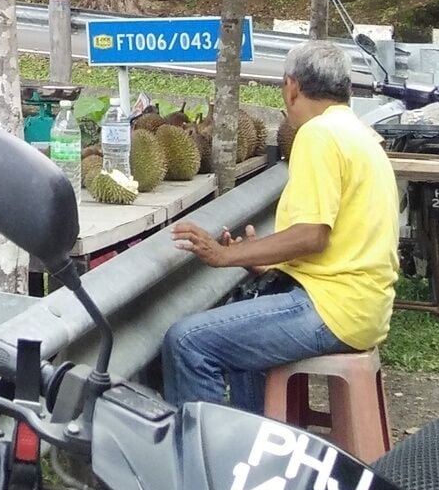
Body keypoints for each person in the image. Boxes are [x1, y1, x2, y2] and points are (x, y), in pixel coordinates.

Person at [158, 39, 398, 412]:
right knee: (239, 337)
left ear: (292, 87)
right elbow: (338, 240)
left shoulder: (318, 135)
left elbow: (312, 235)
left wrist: (225, 255)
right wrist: (267, 260)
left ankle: (203, 466)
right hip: (364, 306)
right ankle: (249, 453)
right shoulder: (361, 134)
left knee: (187, 341)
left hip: (334, 309)